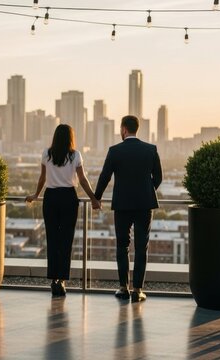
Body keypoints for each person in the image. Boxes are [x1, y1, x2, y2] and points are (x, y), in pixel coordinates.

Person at [94, 115, 163, 302]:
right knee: (142, 247)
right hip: (144, 205)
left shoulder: (115, 151)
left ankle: (123, 288)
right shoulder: (150, 150)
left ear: (124, 129)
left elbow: (105, 177)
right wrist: (147, 191)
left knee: (122, 245)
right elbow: (158, 177)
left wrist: (96, 198)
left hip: (122, 205)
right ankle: (138, 290)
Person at [26, 124, 101, 297]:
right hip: (68, 198)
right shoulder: (75, 155)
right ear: (70, 138)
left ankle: (54, 279)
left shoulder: (47, 153)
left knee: (52, 239)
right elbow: (82, 180)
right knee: (66, 240)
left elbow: (43, 178)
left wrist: (36, 195)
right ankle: (62, 280)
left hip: (50, 198)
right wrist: (93, 199)